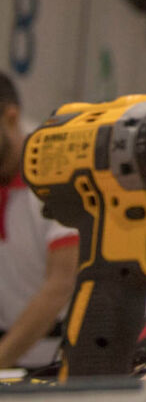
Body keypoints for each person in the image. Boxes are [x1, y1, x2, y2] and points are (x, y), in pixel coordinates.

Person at [0, 73, 78, 372]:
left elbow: (61, 282)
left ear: (10, 118)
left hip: (69, 363)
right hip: (15, 359)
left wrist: (2, 359)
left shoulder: (56, 166)